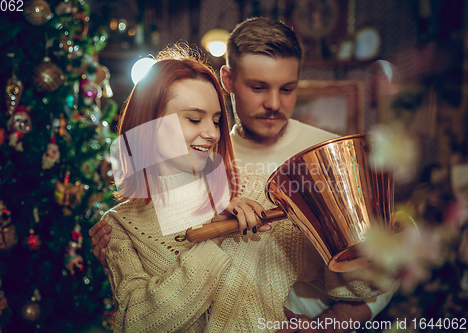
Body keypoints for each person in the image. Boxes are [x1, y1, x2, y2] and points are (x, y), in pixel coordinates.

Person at [91, 18, 397, 332]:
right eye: (195, 119)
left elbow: (361, 282)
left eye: (214, 119)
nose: (211, 132)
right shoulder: (121, 224)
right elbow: (136, 323)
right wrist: (215, 239)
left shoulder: (256, 196)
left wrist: (371, 241)